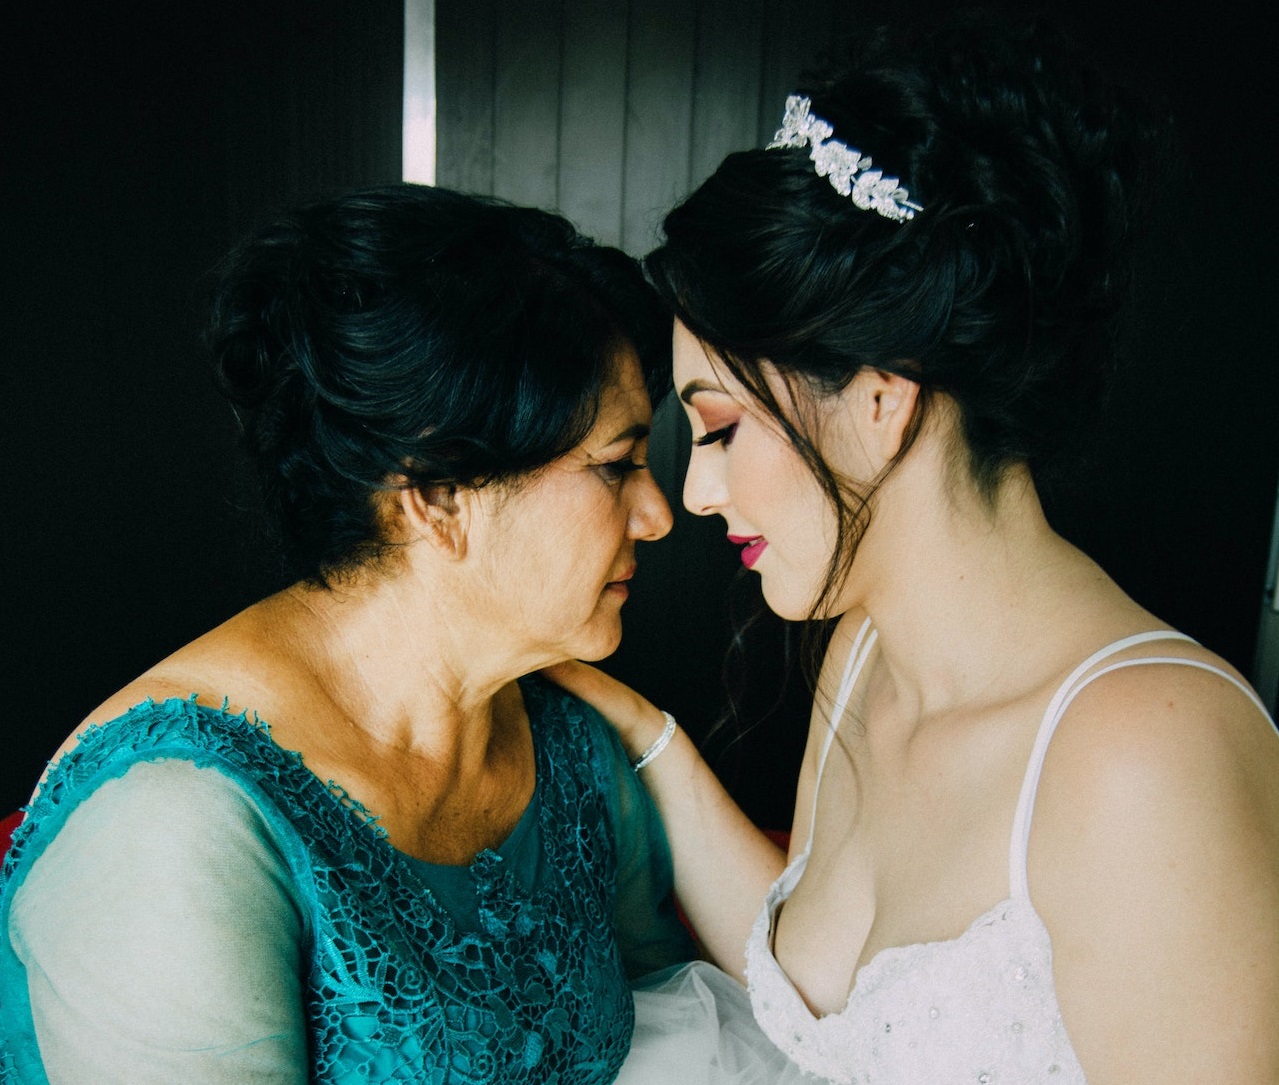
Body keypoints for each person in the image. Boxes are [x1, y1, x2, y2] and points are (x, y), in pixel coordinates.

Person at [555, 15, 1279, 1085]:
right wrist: (632, 724)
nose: (696, 493)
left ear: (882, 401)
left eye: (720, 428)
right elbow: (824, 1007)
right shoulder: (860, 655)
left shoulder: (1144, 758)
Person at [0, 184, 696, 1083]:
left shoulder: (570, 741)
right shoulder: (170, 823)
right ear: (439, 493)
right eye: (615, 465)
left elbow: (676, 1027)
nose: (658, 514)